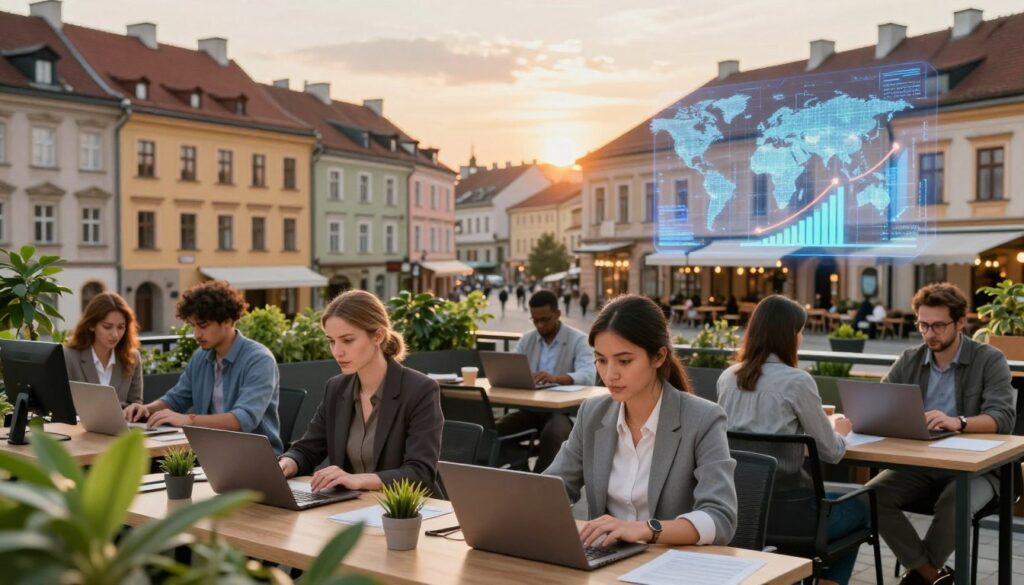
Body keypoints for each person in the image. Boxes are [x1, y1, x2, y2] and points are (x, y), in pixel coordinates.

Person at [543, 295, 737, 547]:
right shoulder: (592, 413)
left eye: (624, 361)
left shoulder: (703, 419)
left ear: (659, 357)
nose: (609, 375)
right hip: (606, 557)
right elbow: (553, 488)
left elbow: (720, 518)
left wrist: (645, 530)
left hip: (671, 560)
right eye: (601, 360)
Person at [863, 283, 1015, 585]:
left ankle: (919, 577)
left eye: (938, 326)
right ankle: (931, 575)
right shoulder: (910, 359)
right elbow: (880, 402)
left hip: (979, 468)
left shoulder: (989, 359)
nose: (929, 333)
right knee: (868, 497)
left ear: (960, 322)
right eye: (923, 325)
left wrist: (958, 422)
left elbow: (1003, 418)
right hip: (921, 463)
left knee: (953, 504)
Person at [716, 295, 866, 585]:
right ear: (788, 335)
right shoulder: (797, 381)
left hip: (743, 511)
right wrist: (840, 433)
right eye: (800, 331)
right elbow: (832, 453)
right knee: (863, 508)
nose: (802, 338)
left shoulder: (727, 378)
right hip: (794, 514)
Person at [278, 290, 444, 494]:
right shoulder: (336, 388)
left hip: (405, 509)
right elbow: (308, 449)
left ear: (378, 336)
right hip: (352, 506)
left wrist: (357, 480)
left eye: (347, 340)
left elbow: (420, 473)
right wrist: (288, 463)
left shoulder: (420, 390)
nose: (337, 352)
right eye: (332, 341)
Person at [124, 281, 283, 453]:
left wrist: (189, 420)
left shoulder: (259, 360)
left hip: (255, 456)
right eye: (193, 325)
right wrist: (145, 409)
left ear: (228, 321)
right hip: (210, 452)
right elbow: (176, 399)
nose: (196, 334)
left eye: (203, 326)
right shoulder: (201, 357)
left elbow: (243, 419)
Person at [495, 290, 596, 472]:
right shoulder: (528, 339)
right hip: (532, 409)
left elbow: (588, 375)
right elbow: (511, 365)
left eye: (545, 320)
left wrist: (557, 379)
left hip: (563, 412)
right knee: (495, 430)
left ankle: (541, 481)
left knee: (554, 434)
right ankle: (517, 470)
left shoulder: (578, 339)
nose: (540, 325)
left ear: (557, 314)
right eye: (535, 321)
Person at [64, 292, 143, 407]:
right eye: (107, 327)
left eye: (121, 327)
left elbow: (135, 405)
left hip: (120, 420)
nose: (115, 334)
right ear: (91, 325)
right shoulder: (69, 357)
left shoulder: (132, 358)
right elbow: (61, 404)